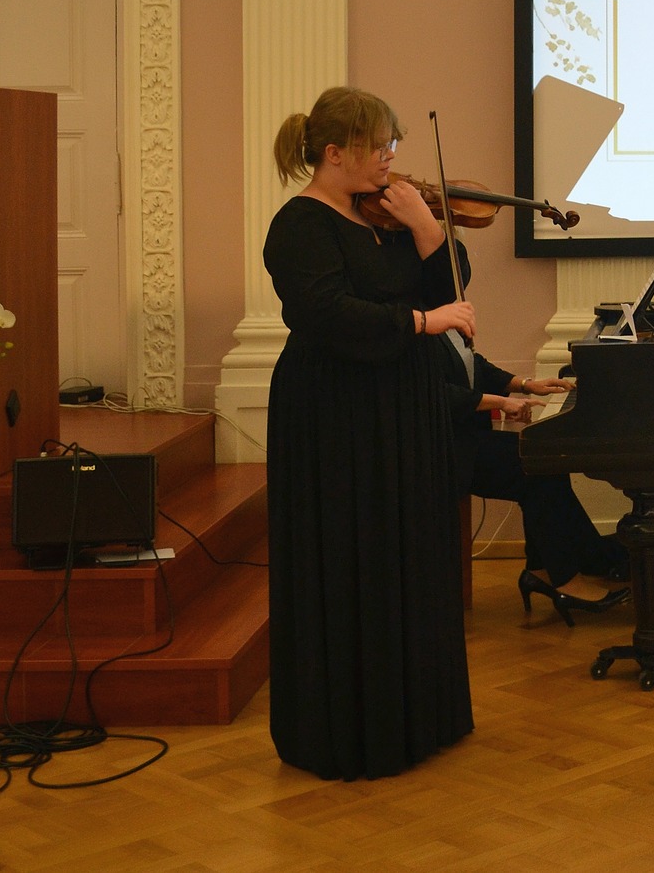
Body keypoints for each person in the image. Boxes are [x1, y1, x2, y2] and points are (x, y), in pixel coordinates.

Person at [262, 85, 563, 780]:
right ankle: (351, 735)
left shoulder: (390, 214)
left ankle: (421, 720)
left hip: (404, 406)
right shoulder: (300, 225)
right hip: (336, 415)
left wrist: (429, 230)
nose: (390, 158)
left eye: (392, 144)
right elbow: (327, 314)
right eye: (377, 146)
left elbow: (447, 292)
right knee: (355, 559)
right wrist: (424, 322)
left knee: (412, 555)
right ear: (335, 153)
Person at [443, 341, 629, 618]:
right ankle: (568, 578)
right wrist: (502, 402)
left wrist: (527, 385)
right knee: (534, 465)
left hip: (465, 437)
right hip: (442, 449)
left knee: (543, 460)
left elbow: (473, 364)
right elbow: (436, 393)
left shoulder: (444, 324)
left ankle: (543, 569)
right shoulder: (423, 327)